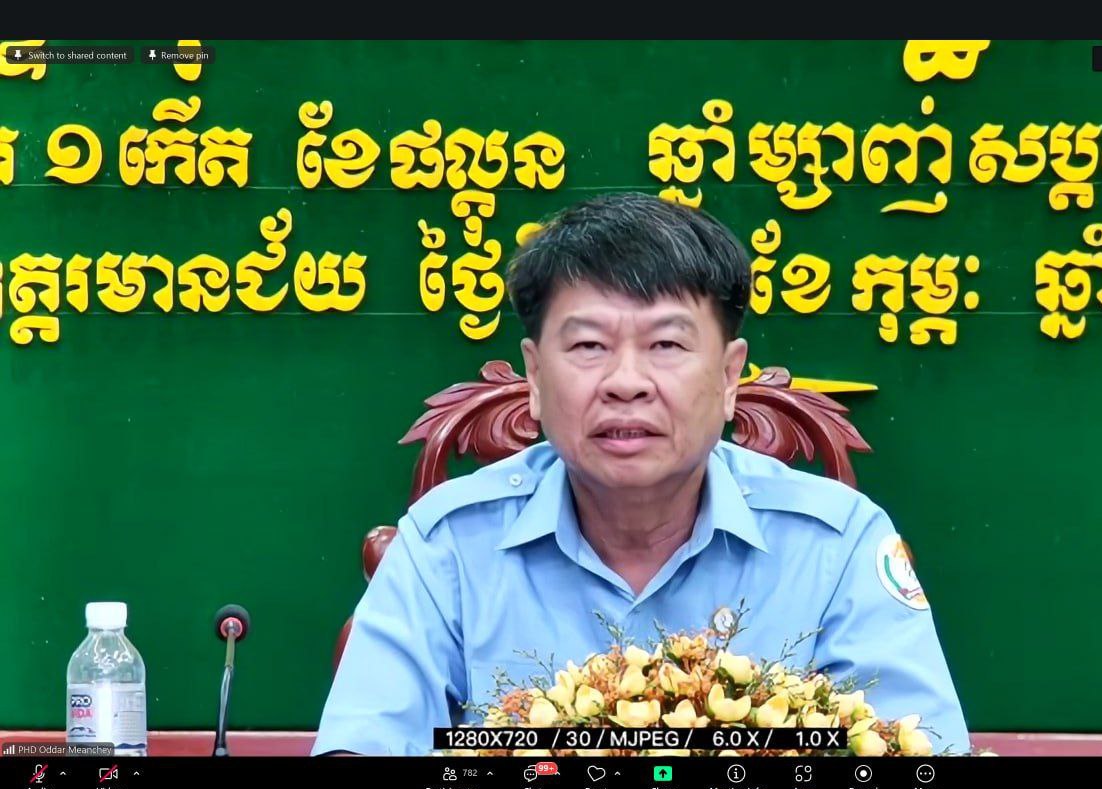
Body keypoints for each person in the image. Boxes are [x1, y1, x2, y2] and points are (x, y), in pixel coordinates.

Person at [313, 192, 969, 755]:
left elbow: (919, 750)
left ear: (730, 375)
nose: (626, 382)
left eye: (666, 344)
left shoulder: (837, 541)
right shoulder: (448, 541)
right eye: (589, 345)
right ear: (535, 376)